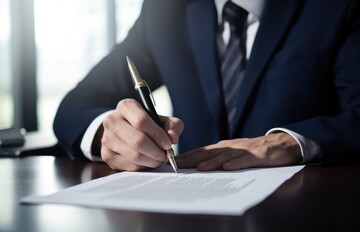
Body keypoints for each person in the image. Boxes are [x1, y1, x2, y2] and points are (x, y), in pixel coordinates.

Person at [53, 0, 360, 172]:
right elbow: (74, 107)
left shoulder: (337, 7)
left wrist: (290, 143)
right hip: (193, 216)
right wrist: (106, 133)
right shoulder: (165, 11)